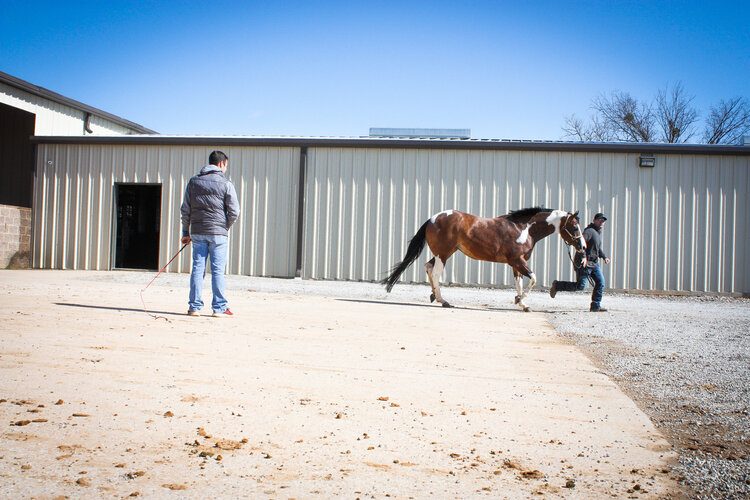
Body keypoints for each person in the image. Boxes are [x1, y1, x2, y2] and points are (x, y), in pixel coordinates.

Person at [180, 151, 240, 317]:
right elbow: (235, 211)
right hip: (218, 234)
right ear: (221, 164)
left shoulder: (193, 182)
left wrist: (186, 231)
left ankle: (194, 307)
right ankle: (219, 308)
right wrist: (224, 226)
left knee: (197, 269)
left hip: (198, 232)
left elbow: (186, 209)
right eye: (226, 165)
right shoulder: (226, 183)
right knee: (217, 271)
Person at [549, 213, 611, 312]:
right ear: (594, 220)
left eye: (603, 221)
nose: (602, 222)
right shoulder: (589, 232)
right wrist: (583, 257)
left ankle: (595, 306)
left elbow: (597, 248)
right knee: (580, 286)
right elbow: (580, 244)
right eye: (600, 220)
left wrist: (604, 257)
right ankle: (557, 285)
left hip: (594, 263)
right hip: (584, 263)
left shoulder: (597, 233)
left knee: (600, 282)